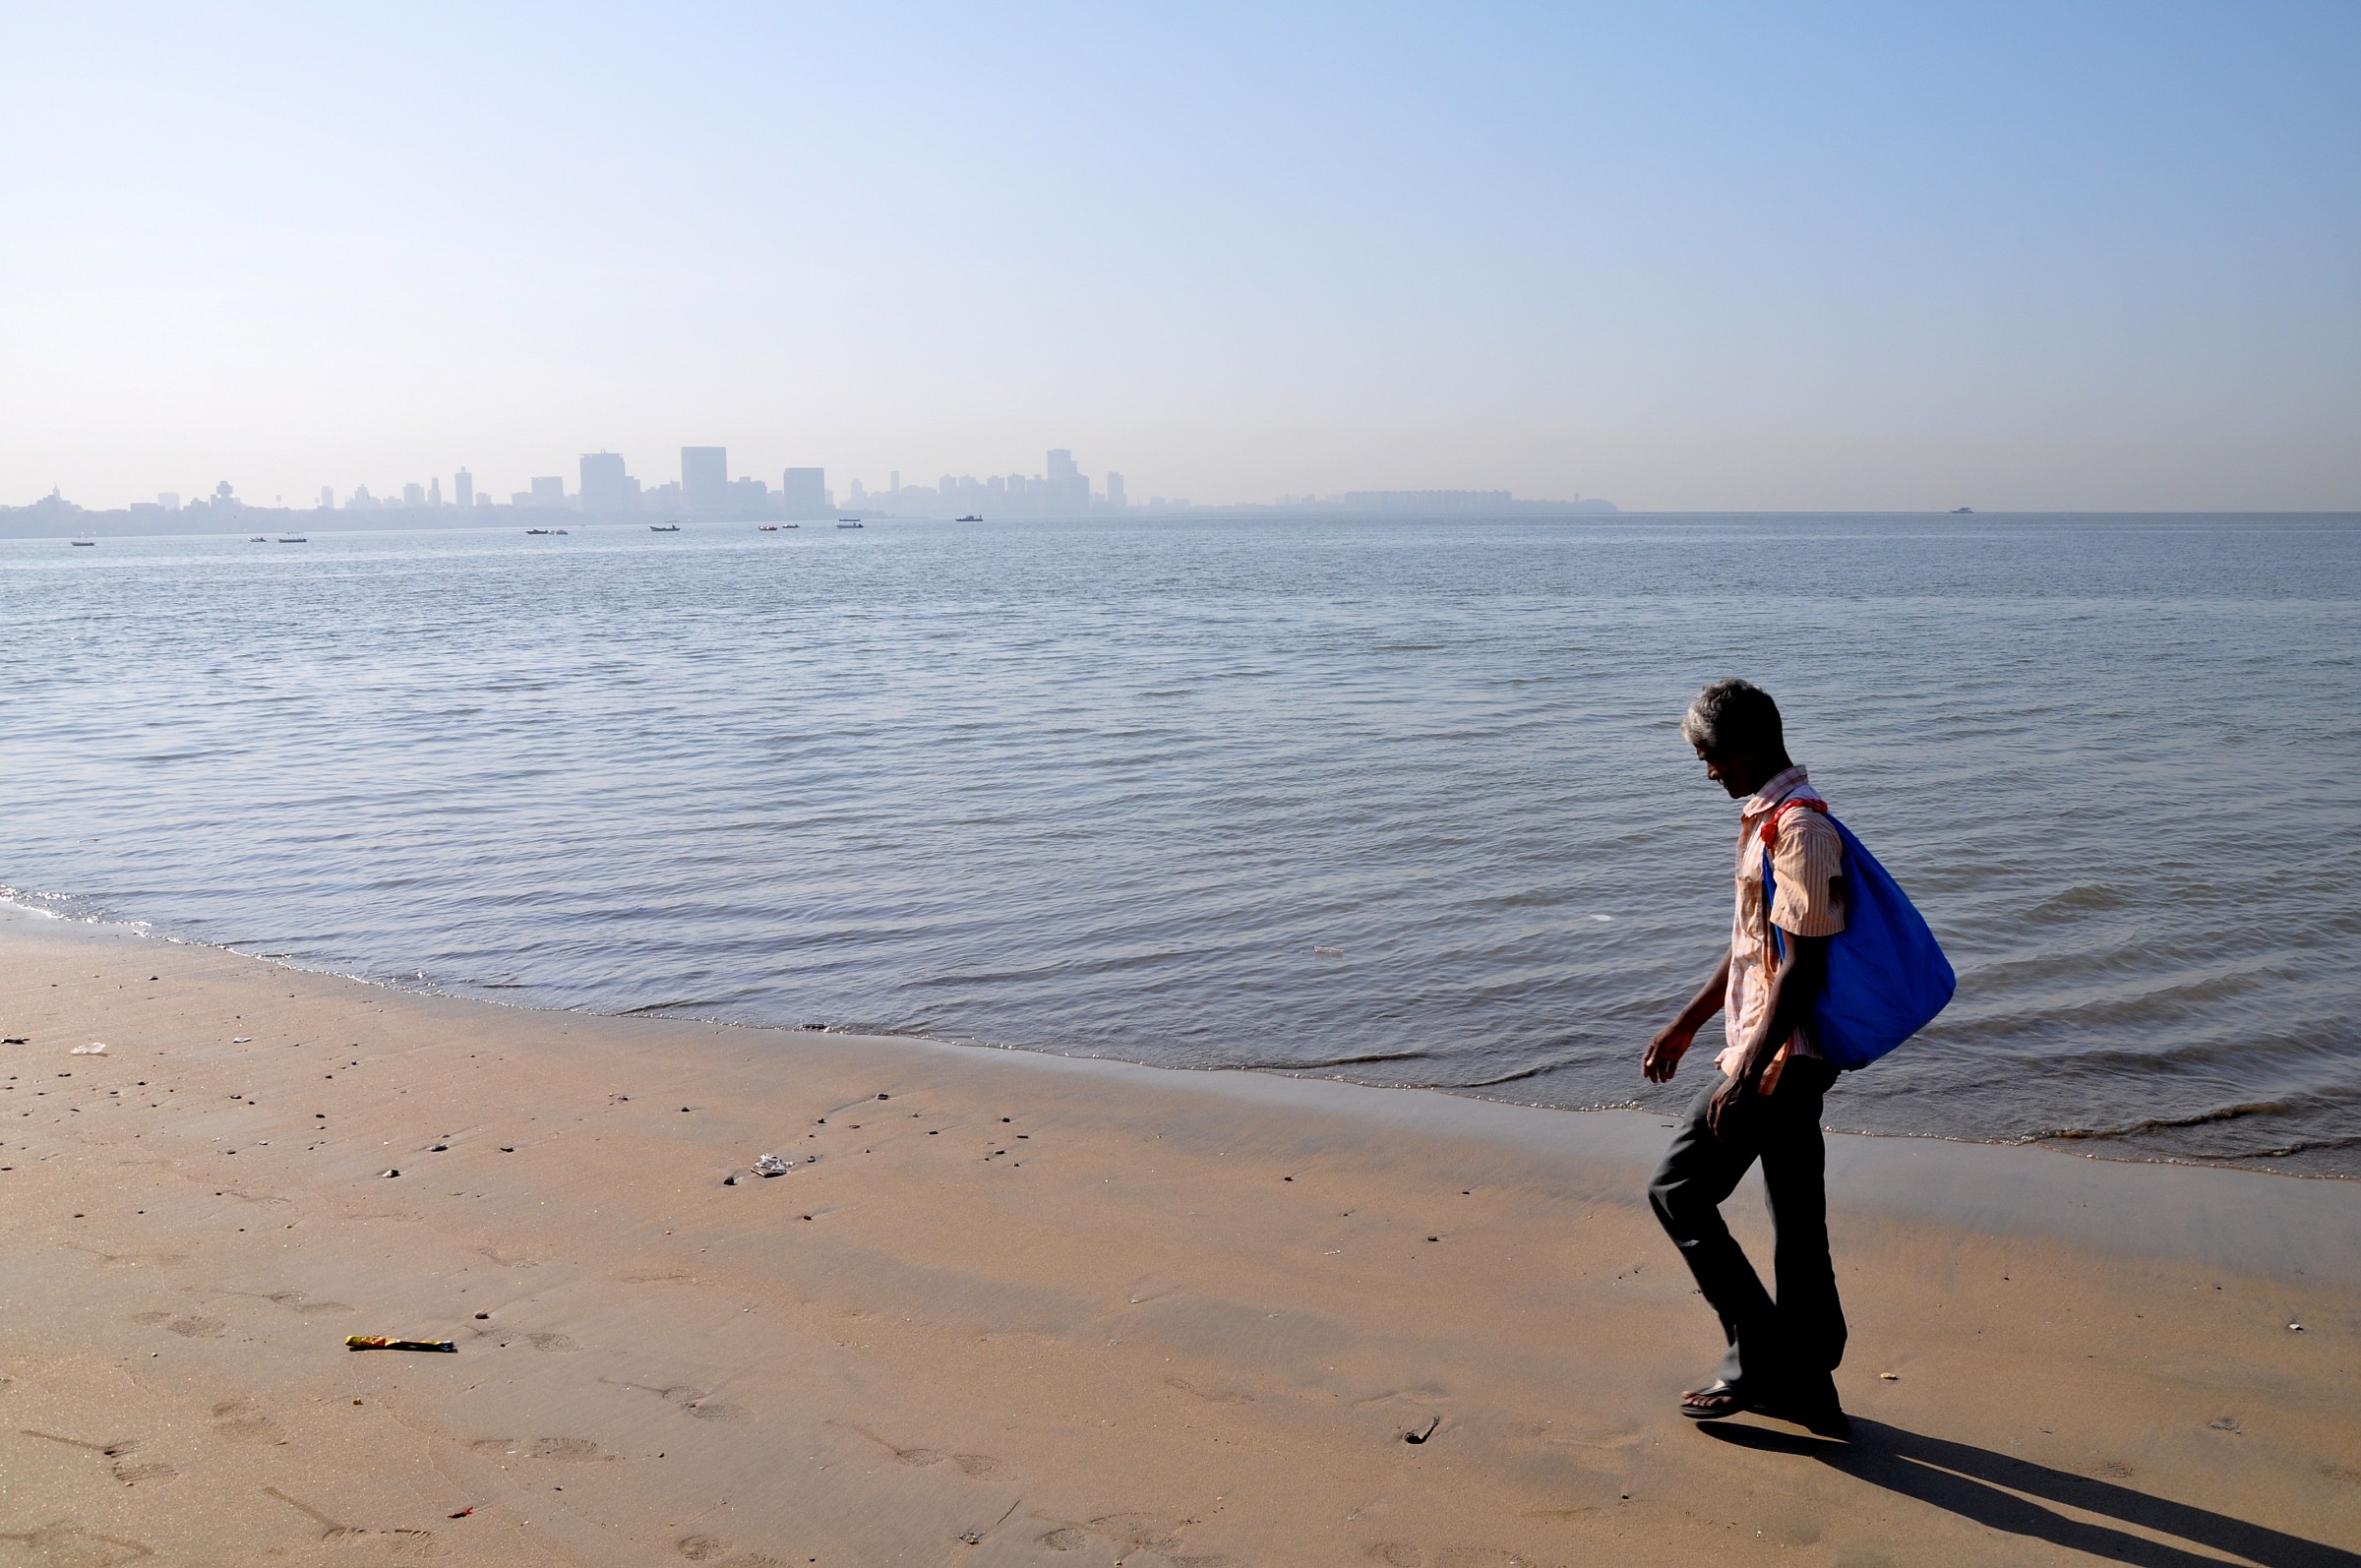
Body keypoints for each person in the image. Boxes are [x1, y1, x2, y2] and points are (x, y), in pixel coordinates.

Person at [1644, 678, 1850, 1436]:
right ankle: (1810, 1384)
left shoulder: (1799, 830)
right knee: (1796, 1219)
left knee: (1678, 1190)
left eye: (1709, 756)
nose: (1707, 772)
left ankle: (1759, 1353)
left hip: (1780, 1060)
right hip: (1778, 1051)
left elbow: (1804, 966)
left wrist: (1747, 1074)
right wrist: (1689, 1023)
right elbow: (1752, 951)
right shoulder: (1768, 821)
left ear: (1749, 747)